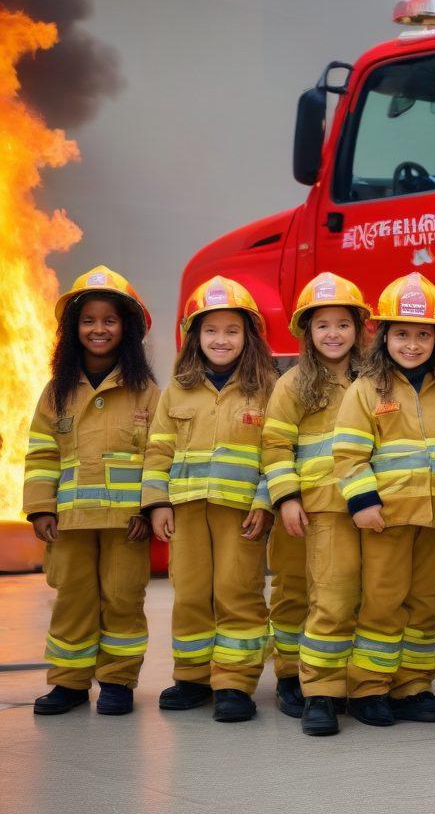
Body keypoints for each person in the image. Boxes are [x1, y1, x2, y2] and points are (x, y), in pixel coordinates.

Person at [325, 273, 435, 736]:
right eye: (402, 334)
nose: (412, 344)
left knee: (424, 604)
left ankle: (413, 686)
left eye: (423, 335)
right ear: (384, 335)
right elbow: (348, 454)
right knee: (382, 602)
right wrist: (363, 502)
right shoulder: (365, 390)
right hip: (385, 519)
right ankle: (369, 688)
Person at [24, 267, 159, 716]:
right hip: (70, 523)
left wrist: (150, 509)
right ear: (72, 329)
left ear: (127, 328)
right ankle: (69, 683)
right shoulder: (55, 393)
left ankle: (118, 681)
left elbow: (160, 456)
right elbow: (42, 454)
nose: (98, 329)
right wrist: (41, 508)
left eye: (109, 320)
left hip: (127, 525)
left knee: (123, 598)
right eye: (88, 320)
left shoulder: (146, 393)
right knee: (73, 599)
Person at [144, 276, 278, 723]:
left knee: (238, 591)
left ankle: (235, 683)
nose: (221, 340)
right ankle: (192, 678)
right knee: (190, 593)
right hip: (185, 512)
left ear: (248, 336)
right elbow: (158, 451)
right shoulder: (176, 390)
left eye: (232, 330)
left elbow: (277, 452)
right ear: (194, 336)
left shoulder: (268, 389)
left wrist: (265, 502)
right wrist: (157, 503)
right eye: (211, 330)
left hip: (241, 514)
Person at [261, 272, 370, 723]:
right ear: (307, 332)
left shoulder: (374, 380)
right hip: (305, 510)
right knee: (294, 591)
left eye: (342, 324)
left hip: (360, 506)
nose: (333, 334)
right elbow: (274, 446)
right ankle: (292, 675)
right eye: (322, 325)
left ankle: (338, 678)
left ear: (358, 329)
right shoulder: (292, 385)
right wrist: (286, 498)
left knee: (347, 595)